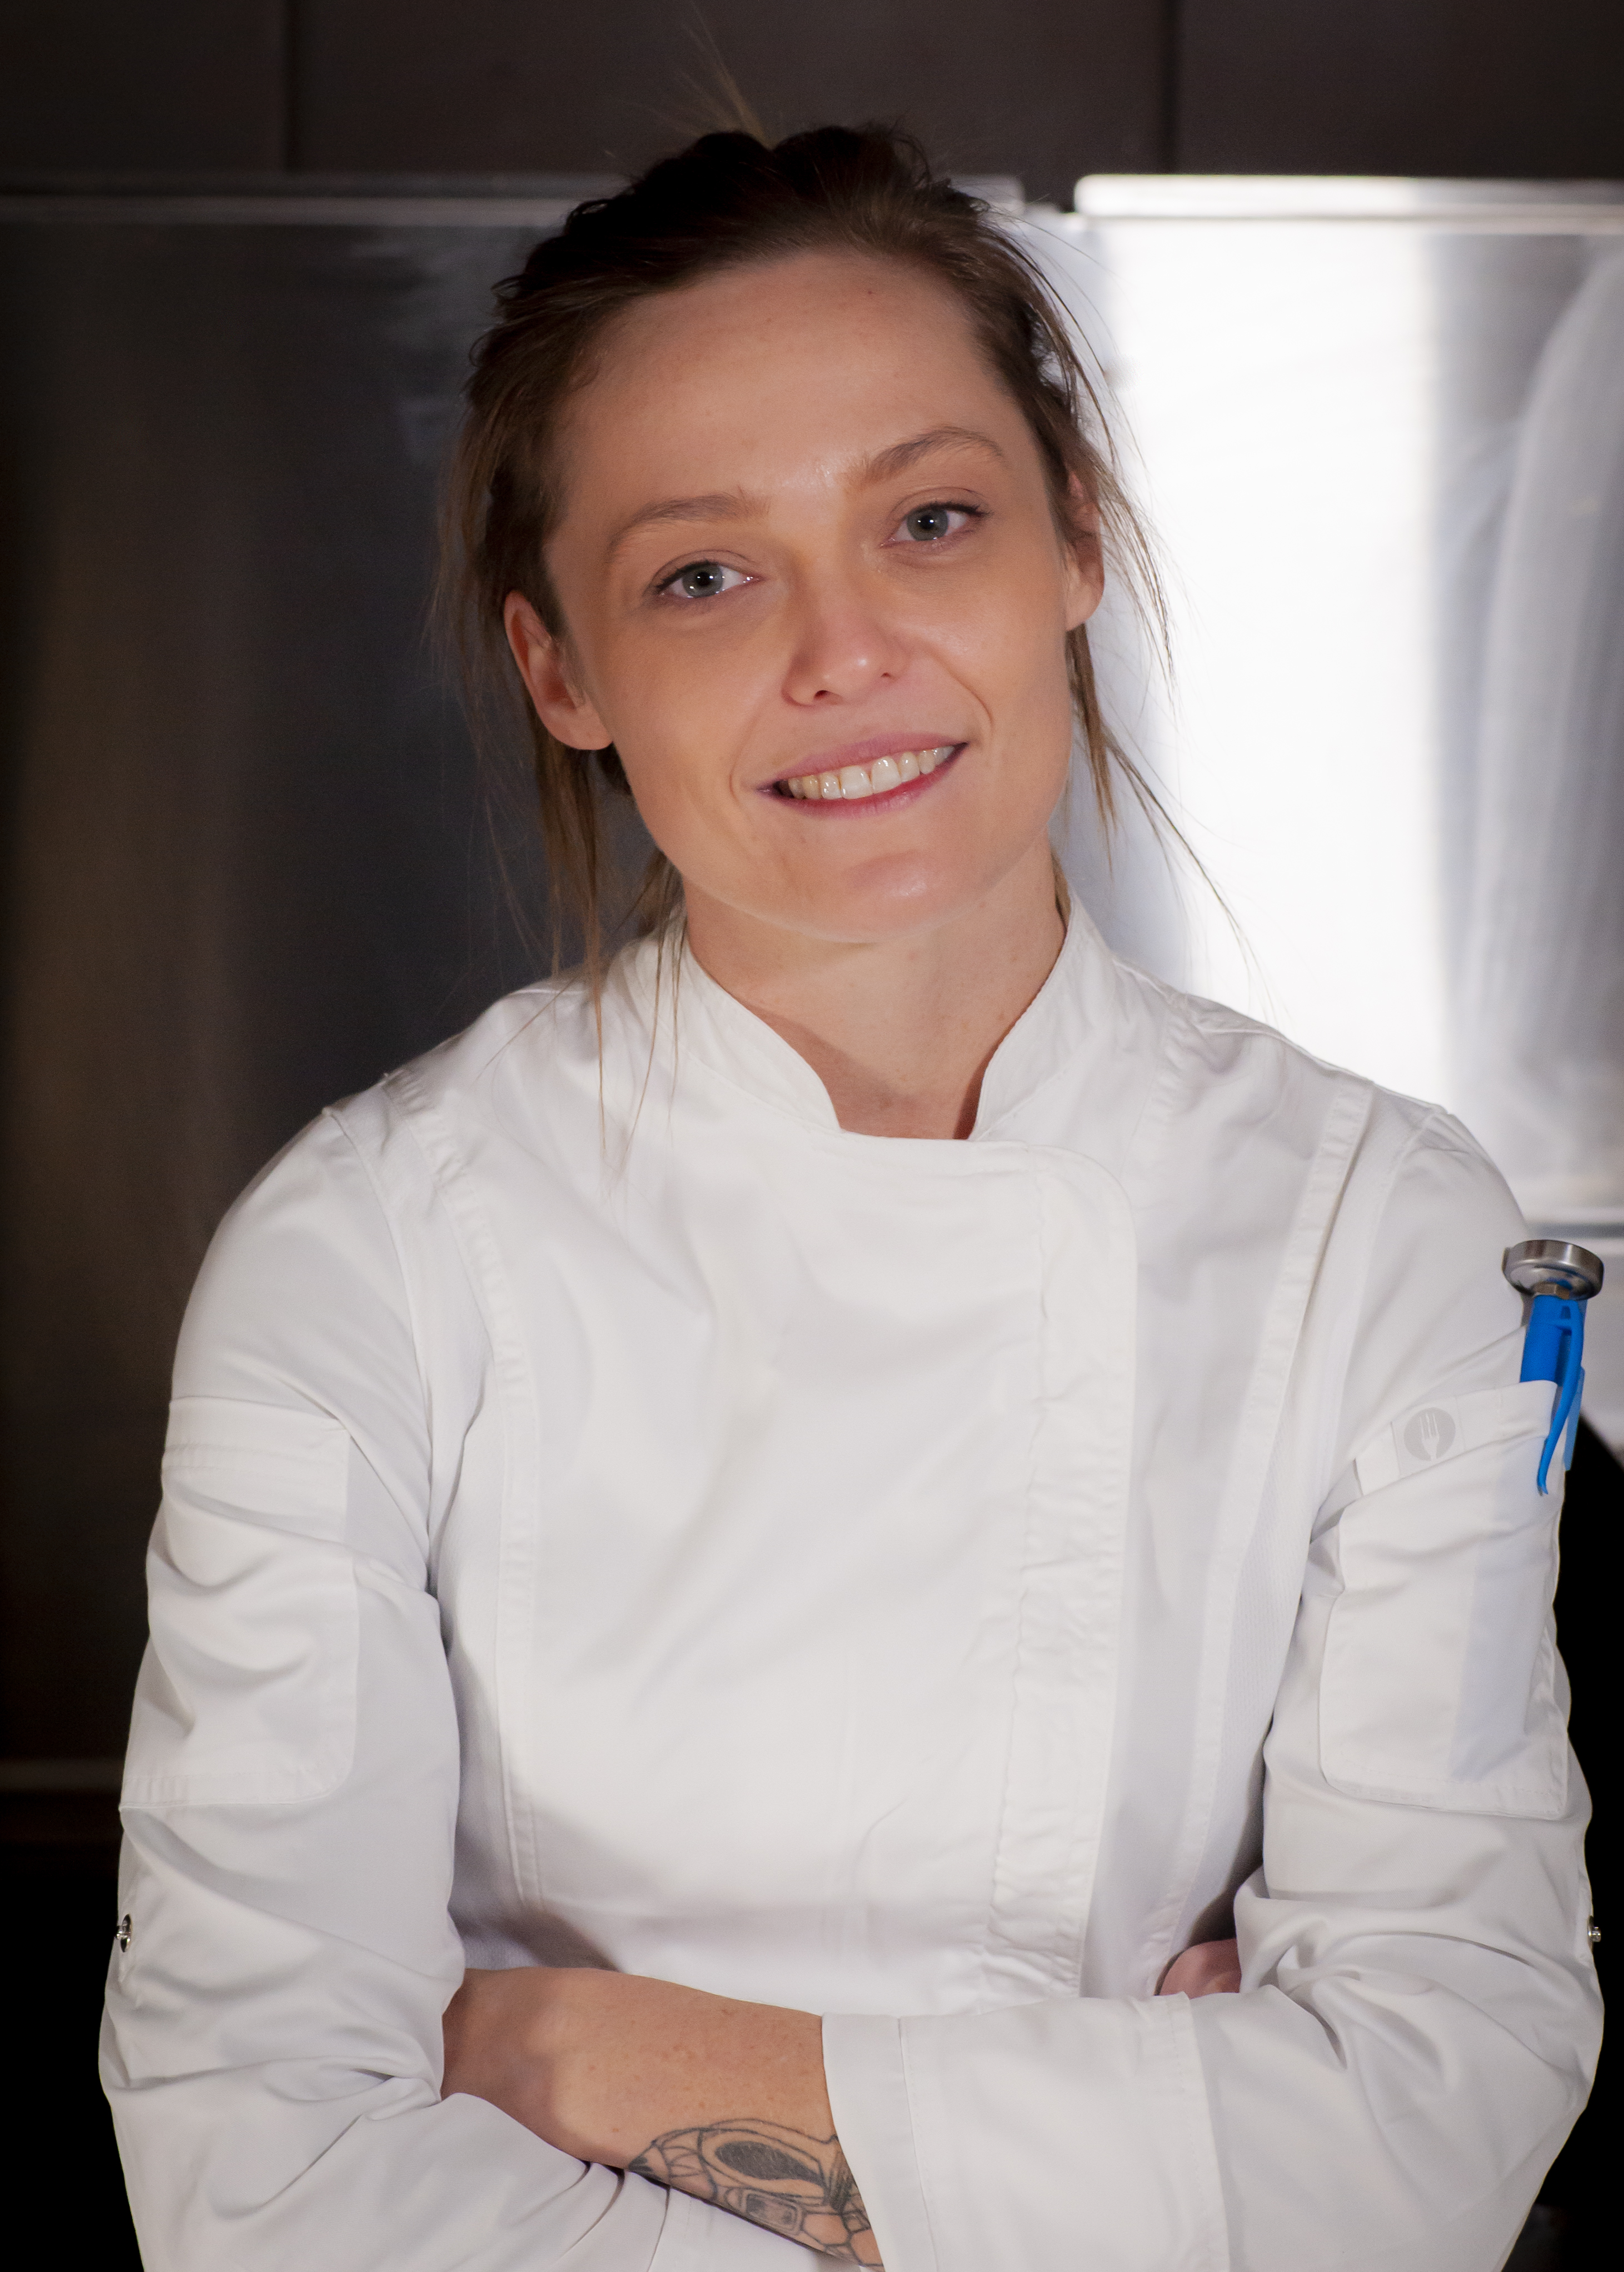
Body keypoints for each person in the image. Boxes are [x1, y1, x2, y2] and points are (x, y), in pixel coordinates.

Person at [102, 127, 1600, 2272]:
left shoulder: (1380, 1237)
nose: (849, 650)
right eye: (703, 574)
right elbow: (267, 2185)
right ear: (564, 672)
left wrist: (575, 2058)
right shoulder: (367, 1258)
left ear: (1073, 540)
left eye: (930, 518)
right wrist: (1149, 2163)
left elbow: (1424, 2140)